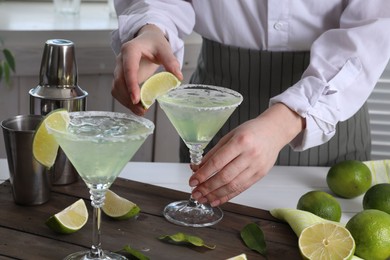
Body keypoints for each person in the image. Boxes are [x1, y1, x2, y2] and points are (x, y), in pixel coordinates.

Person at [110, 1, 390, 208]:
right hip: (214, 113)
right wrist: (151, 27)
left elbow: (374, 29)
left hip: (332, 117)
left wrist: (287, 120)